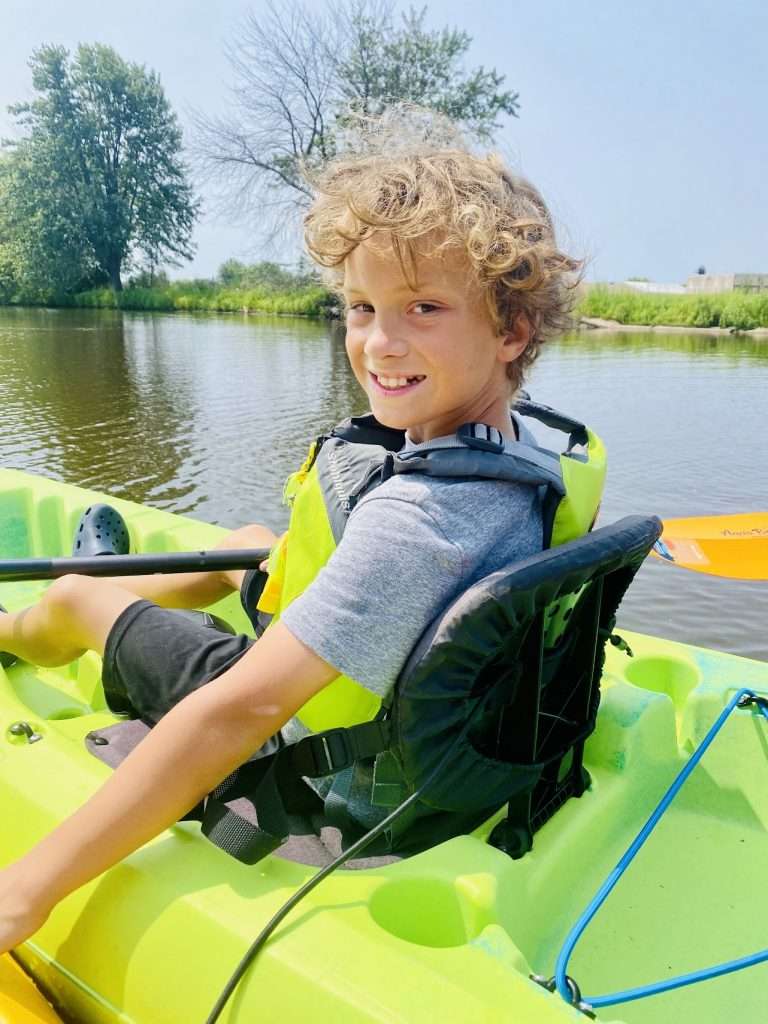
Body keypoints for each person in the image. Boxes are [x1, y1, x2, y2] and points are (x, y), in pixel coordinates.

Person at [0, 127, 580, 953]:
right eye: (363, 307)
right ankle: (162, 582)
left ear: (513, 329)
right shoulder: (530, 453)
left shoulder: (419, 523)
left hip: (315, 756)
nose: (381, 341)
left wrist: (26, 889)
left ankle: (29, 627)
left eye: (424, 307)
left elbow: (245, 707)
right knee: (246, 541)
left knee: (71, 597)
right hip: (448, 743)